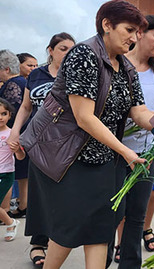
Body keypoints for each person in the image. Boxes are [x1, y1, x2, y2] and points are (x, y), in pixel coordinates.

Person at [21, 1, 154, 268]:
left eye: (138, 32)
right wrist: (125, 151)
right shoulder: (83, 55)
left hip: (101, 157)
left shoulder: (126, 67)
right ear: (107, 25)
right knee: (71, 228)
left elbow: (139, 111)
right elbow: (84, 117)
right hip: (67, 155)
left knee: (101, 227)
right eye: (129, 29)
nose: (134, 37)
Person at [110, 14, 154, 267]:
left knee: (137, 214)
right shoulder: (116, 64)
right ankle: (104, 255)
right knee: (112, 211)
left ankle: (130, 263)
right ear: (140, 33)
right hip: (115, 151)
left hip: (146, 151)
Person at [7, 32, 75, 268]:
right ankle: (38, 243)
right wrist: (15, 132)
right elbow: (25, 107)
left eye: (71, 49)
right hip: (37, 142)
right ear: (51, 50)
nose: (67, 53)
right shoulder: (36, 75)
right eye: (63, 48)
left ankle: (58, 240)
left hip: (66, 144)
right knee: (38, 194)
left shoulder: (76, 75)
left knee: (63, 194)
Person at [0, 49, 26, 221]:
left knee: (11, 173)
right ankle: (23, 206)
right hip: (25, 134)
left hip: (12, 136)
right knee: (23, 175)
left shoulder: (12, 85)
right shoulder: (25, 82)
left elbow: (12, 112)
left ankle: (6, 211)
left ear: (6, 69)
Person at [0, 98, 25, 242]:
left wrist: (17, 150)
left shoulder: (12, 134)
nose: (0, 117)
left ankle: (11, 223)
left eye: (4, 113)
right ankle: (10, 222)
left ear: (10, 115)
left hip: (6, 173)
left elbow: (21, 157)